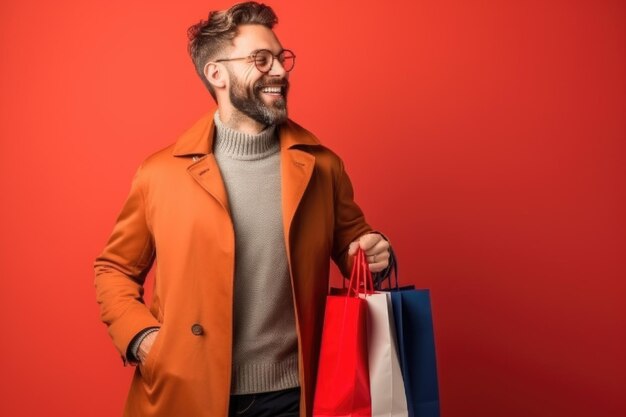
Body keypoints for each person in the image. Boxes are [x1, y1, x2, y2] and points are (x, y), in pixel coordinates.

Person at [94, 2, 391, 416]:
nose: (280, 72)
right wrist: (143, 339)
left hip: (296, 394)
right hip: (187, 390)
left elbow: (353, 246)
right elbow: (114, 269)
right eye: (261, 59)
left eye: (281, 58)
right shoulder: (160, 173)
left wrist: (373, 251)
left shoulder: (321, 165)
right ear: (216, 73)